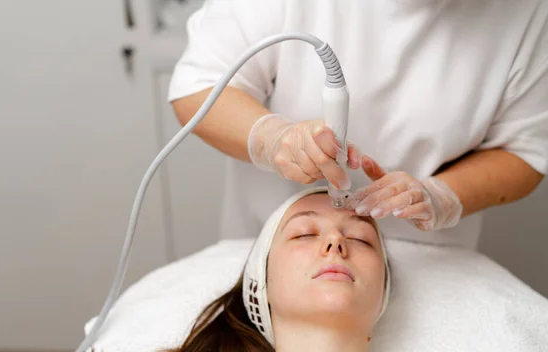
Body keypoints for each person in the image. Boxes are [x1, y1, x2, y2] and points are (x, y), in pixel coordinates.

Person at [45, 187, 497, 352]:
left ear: (383, 293)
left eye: (360, 239)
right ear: (260, 285)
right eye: (303, 235)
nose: (335, 243)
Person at [168, 0, 547, 249]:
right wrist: (275, 139)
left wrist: (440, 196)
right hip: (270, 245)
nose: (336, 248)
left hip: (428, 262)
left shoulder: (526, 13)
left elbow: (526, 151)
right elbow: (198, 87)